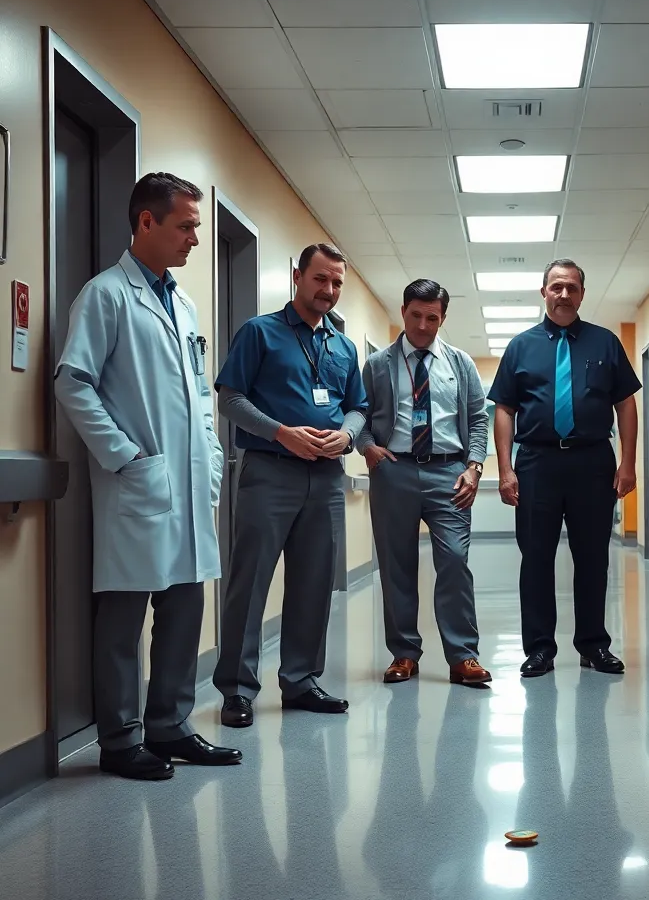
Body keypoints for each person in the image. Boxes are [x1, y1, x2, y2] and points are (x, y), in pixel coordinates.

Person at [54, 171, 241, 781]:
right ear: (146, 223)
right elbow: (72, 382)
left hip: (186, 482)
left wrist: (210, 456)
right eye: (186, 225)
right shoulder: (106, 295)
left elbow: (195, 394)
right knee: (124, 618)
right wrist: (124, 454)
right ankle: (121, 738)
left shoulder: (182, 302)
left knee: (185, 610)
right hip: (138, 480)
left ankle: (170, 724)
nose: (194, 238)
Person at [212, 242, 368, 726]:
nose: (329, 290)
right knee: (250, 581)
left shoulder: (342, 346)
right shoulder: (260, 333)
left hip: (325, 478)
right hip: (269, 472)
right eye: (320, 279)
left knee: (315, 583)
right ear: (298, 276)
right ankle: (237, 689)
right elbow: (230, 399)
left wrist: (346, 437)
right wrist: (281, 432)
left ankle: (300, 680)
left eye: (337, 282)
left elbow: (359, 408)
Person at [489, 258, 641, 677]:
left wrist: (628, 462)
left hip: (593, 460)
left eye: (572, 287)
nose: (564, 294)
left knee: (593, 557)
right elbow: (503, 408)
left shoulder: (605, 342)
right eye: (556, 286)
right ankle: (539, 648)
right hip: (537, 461)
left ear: (582, 294)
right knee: (535, 557)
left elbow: (625, 403)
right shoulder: (521, 346)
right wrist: (505, 468)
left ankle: (593, 645)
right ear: (543, 292)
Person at [356, 279, 492, 686]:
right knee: (396, 564)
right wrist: (367, 448)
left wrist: (474, 466)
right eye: (415, 315)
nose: (422, 325)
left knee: (453, 561)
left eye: (432, 317)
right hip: (394, 469)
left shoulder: (460, 363)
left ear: (443, 318)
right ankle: (404, 653)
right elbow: (359, 414)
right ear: (403, 312)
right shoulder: (378, 364)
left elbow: (479, 419)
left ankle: (463, 655)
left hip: (449, 472)